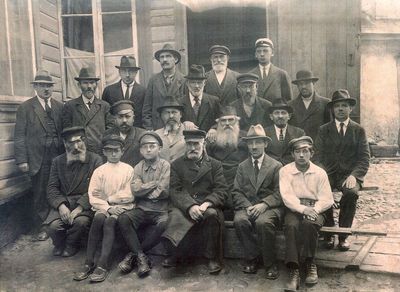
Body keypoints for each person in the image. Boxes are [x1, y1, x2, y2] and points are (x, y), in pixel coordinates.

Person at [162, 130, 227, 274]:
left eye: (196, 144)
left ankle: (211, 258)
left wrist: (205, 204)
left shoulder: (215, 165)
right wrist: (190, 206)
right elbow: (175, 190)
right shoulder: (177, 164)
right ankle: (176, 255)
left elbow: (221, 190)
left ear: (203, 144)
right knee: (176, 215)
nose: (192, 148)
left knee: (211, 215)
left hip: (206, 204)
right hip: (183, 204)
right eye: (189, 144)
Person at [314, 89, 370, 251]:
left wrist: (354, 175)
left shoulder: (358, 130)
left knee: (351, 193)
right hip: (328, 174)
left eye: (344, 105)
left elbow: (364, 158)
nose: (340, 109)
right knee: (321, 193)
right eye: (337, 106)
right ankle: (329, 233)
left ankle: (344, 235)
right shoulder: (324, 130)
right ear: (332, 109)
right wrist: (322, 174)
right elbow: (317, 156)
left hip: (349, 175)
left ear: (350, 109)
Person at [74, 134, 134, 283]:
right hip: (104, 207)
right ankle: (88, 262)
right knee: (98, 218)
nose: (113, 154)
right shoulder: (99, 171)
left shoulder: (128, 170)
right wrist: (107, 207)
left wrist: (110, 199)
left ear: (122, 151)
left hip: (122, 207)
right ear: (104, 152)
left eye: (117, 150)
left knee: (109, 222)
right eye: (109, 150)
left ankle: (103, 264)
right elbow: (93, 195)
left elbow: (129, 194)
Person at [14, 70, 64, 241]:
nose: (46, 89)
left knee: (57, 190)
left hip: (57, 156)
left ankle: (55, 224)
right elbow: (19, 135)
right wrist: (22, 160)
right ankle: (42, 228)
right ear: (35, 87)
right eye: (42, 85)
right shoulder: (26, 108)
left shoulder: (59, 107)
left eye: (49, 86)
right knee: (40, 193)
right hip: (38, 158)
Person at [279, 136, 333, 291]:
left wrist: (314, 210)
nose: (301, 155)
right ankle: (293, 269)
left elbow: (327, 199)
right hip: (294, 209)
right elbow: (287, 196)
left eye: (305, 151)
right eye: (297, 151)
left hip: (316, 208)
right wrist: (303, 209)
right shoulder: (285, 171)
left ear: (312, 153)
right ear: (292, 154)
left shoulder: (320, 173)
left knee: (310, 224)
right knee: (291, 225)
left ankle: (310, 263)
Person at [232, 124, 283, 278]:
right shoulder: (242, 166)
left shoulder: (276, 166)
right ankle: (252, 258)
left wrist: (264, 204)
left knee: (263, 223)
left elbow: (280, 193)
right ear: (247, 145)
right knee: (240, 220)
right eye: (250, 143)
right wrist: (248, 206)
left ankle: (270, 263)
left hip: (269, 208)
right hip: (248, 207)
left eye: (258, 142)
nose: (254, 147)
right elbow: (236, 191)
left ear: (265, 144)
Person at [117, 132, 170, 277]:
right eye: (144, 147)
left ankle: (133, 256)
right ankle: (141, 256)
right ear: (140, 151)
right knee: (124, 218)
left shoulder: (165, 166)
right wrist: (154, 184)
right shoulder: (138, 167)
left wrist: (145, 188)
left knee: (164, 224)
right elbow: (135, 190)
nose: (148, 150)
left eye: (152, 146)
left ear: (159, 148)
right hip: (142, 208)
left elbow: (163, 191)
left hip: (161, 210)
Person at [44, 127, 103, 257]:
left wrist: (80, 208)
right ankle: (59, 243)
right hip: (64, 201)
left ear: (85, 141)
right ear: (65, 144)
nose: (76, 147)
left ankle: (71, 244)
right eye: (71, 142)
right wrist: (61, 206)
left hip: (86, 203)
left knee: (80, 223)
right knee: (52, 227)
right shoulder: (57, 161)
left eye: (79, 141)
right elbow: (51, 187)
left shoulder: (95, 160)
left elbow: (98, 188)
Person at [62, 67, 113, 154]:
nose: (89, 86)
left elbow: (110, 132)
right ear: (79, 85)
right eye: (85, 83)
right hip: (78, 153)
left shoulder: (104, 106)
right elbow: (67, 133)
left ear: (96, 85)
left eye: (92, 83)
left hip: (99, 154)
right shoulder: (70, 106)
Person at [206, 107, 248, 212]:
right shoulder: (212, 139)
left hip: (239, 177)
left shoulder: (246, 137)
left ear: (237, 121)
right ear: (218, 123)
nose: (227, 123)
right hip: (219, 177)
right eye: (223, 121)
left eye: (231, 120)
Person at [142, 44, 185, 130]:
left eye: (168, 56)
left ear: (175, 59)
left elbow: (187, 109)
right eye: (162, 57)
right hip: (157, 128)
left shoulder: (184, 80)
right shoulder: (153, 80)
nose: (164, 60)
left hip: (178, 129)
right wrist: (150, 129)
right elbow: (147, 109)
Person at [102, 56, 146, 128]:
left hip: (136, 133)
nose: (127, 75)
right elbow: (105, 115)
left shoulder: (143, 91)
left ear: (136, 72)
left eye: (130, 71)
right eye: (124, 71)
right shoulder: (109, 91)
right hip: (115, 133)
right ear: (119, 72)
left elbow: (145, 115)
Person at [288, 70, 331, 140]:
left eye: (307, 83)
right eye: (300, 84)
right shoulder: (290, 105)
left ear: (313, 83)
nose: (303, 86)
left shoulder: (325, 103)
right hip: (299, 146)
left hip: (318, 146)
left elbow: (329, 128)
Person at [248, 38, 292, 102]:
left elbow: (288, 101)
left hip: (275, 111)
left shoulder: (281, 74)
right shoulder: (250, 75)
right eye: (259, 51)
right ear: (255, 54)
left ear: (272, 53)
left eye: (265, 51)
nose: (262, 54)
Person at [103, 100, 146, 167]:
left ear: (133, 118)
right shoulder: (107, 135)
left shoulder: (142, 135)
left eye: (127, 116)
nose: (124, 120)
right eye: (120, 117)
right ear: (115, 119)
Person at [180, 64, 221, 132]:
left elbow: (221, 120)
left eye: (199, 82)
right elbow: (173, 123)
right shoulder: (179, 102)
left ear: (204, 83)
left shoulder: (214, 101)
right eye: (193, 82)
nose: (196, 86)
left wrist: (214, 128)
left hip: (208, 141)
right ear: (187, 83)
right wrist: (183, 124)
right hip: (188, 141)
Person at [264, 98, 305, 165]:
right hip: (271, 171)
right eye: (277, 113)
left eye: (283, 113)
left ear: (289, 116)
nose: (280, 116)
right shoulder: (264, 133)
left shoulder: (299, 133)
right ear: (271, 116)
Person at [155, 96, 195, 162]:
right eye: (167, 113)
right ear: (161, 116)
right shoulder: (156, 135)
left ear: (181, 115)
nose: (171, 116)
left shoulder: (191, 132)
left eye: (174, 112)